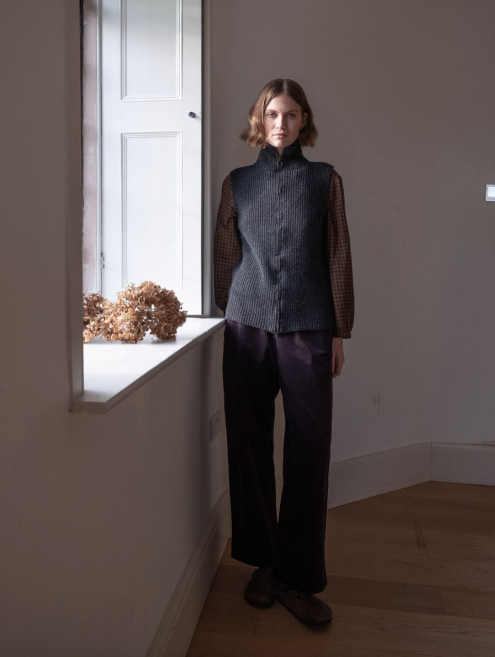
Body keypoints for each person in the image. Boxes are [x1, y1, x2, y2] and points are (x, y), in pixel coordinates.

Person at [213, 78, 354, 625]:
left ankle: (299, 575)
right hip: (245, 329)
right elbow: (226, 255)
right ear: (259, 118)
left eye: (291, 114)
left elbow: (338, 256)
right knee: (248, 444)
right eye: (272, 113)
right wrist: (230, 309)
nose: (281, 123)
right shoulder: (238, 183)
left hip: (309, 328)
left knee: (309, 449)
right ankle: (264, 563)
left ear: (304, 121)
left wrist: (338, 332)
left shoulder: (325, 180)